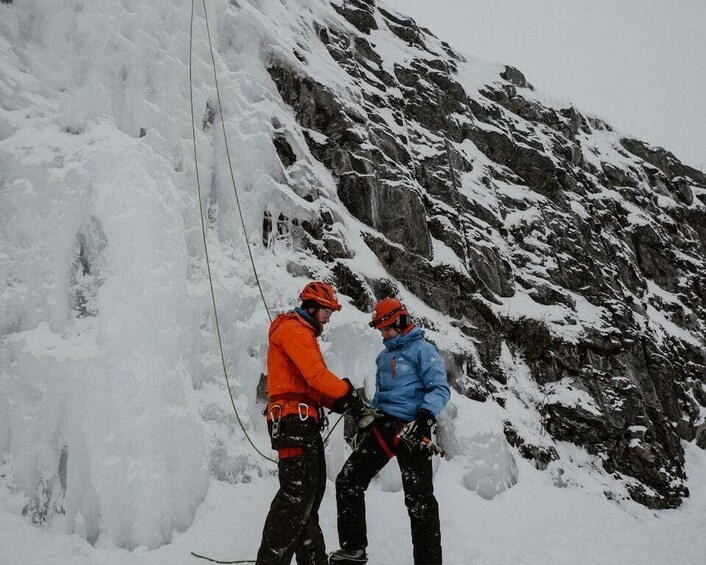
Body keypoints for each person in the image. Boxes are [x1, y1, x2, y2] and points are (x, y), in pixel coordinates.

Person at [329, 298, 451, 565]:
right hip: (384, 427)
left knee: (419, 503)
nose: (383, 335)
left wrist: (426, 414)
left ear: (401, 321)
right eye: (380, 330)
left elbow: (440, 388)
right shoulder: (383, 357)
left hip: (413, 431)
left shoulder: (423, 350)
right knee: (348, 481)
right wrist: (368, 418)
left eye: (386, 329)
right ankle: (353, 549)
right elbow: (380, 395)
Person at [256, 281, 368, 565]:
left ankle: (313, 560)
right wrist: (347, 394)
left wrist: (337, 401)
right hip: (293, 421)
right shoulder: (293, 329)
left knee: (309, 498)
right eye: (326, 311)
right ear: (311, 307)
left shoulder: (304, 334)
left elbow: (312, 384)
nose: (329, 318)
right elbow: (316, 375)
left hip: (304, 422)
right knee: (296, 497)